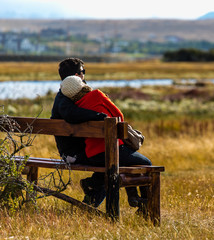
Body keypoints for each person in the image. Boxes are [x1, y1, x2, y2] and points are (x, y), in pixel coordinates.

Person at [51, 58, 150, 213]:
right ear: (78, 75)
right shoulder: (65, 99)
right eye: (83, 72)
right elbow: (70, 114)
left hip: (82, 151)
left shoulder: (70, 95)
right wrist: (100, 115)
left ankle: (88, 207)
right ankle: (142, 206)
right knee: (115, 163)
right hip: (76, 154)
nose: (84, 75)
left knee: (109, 164)